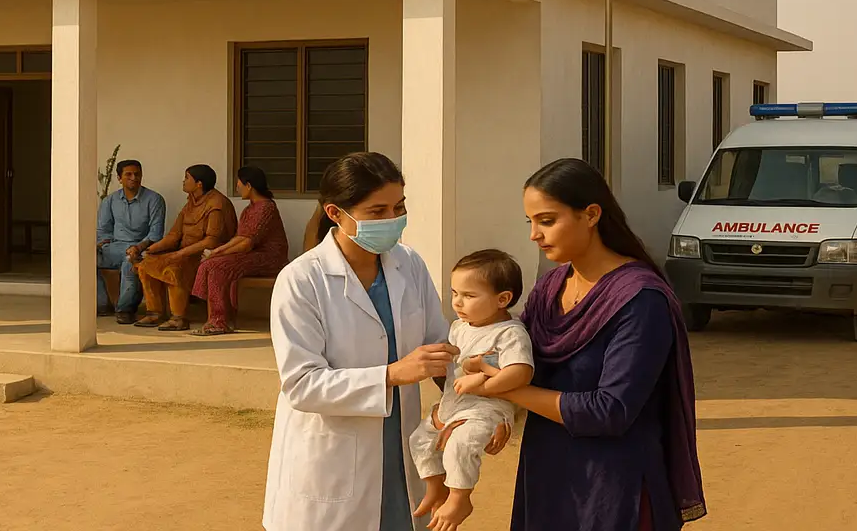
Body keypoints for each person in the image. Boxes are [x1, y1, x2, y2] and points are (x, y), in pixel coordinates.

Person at [262, 152, 509, 531]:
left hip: (401, 445)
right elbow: (302, 384)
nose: (392, 220)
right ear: (335, 213)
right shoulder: (301, 281)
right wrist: (391, 374)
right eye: (377, 211)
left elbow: (444, 352)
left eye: (399, 207)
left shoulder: (408, 265)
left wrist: (484, 411)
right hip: (332, 456)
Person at [491, 158, 706, 531]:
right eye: (531, 223)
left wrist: (510, 392)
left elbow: (610, 410)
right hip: (548, 474)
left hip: (615, 485)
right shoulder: (549, 289)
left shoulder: (639, 299)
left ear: (590, 214)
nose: (534, 236)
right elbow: (513, 359)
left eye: (547, 220)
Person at [407, 250, 533, 530]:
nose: (458, 302)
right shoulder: (459, 327)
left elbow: (519, 371)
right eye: (454, 293)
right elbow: (463, 363)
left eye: (469, 296)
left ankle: (460, 497)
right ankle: (436, 487)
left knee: (460, 445)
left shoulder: (509, 333)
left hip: (487, 409)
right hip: (455, 404)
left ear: (503, 299)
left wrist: (484, 383)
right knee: (419, 440)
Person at [132, 164, 236, 332]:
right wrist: (150, 250)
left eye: (187, 177)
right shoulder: (190, 203)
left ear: (199, 184)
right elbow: (174, 235)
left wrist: (179, 254)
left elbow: (211, 241)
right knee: (146, 265)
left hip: (207, 257)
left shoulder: (217, 203)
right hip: (184, 252)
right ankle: (155, 312)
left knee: (174, 268)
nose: (183, 181)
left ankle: (178, 318)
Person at [190, 165, 289, 336]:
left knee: (216, 266)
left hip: (270, 258)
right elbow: (239, 238)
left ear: (249, 185)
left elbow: (246, 243)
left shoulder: (266, 207)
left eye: (239, 183)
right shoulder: (249, 209)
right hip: (252, 255)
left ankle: (219, 322)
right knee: (213, 264)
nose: (237, 187)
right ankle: (220, 319)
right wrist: (217, 252)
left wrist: (217, 253)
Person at [95, 159, 166, 323]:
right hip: (115, 247)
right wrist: (101, 245)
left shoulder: (154, 199)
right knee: (85, 258)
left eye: (137, 174)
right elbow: (103, 230)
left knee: (129, 263)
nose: (134, 178)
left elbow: (156, 233)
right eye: (128, 174)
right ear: (119, 178)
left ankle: (124, 310)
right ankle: (102, 304)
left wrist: (138, 247)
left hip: (141, 248)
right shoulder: (110, 201)